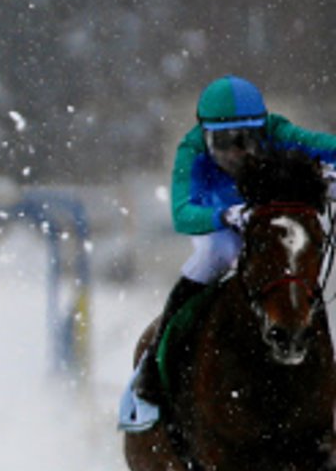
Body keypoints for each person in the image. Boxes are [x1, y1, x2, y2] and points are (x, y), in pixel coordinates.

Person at [121, 74, 336, 429]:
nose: (235, 153)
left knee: (299, 259)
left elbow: (327, 147)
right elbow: (182, 213)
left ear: (263, 130)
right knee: (217, 253)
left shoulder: (281, 133)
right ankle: (152, 367)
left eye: (246, 140)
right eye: (222, 141)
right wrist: (225, 214)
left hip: (265, 222)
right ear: (203, 135)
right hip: (218, 225)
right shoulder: (190, 152)